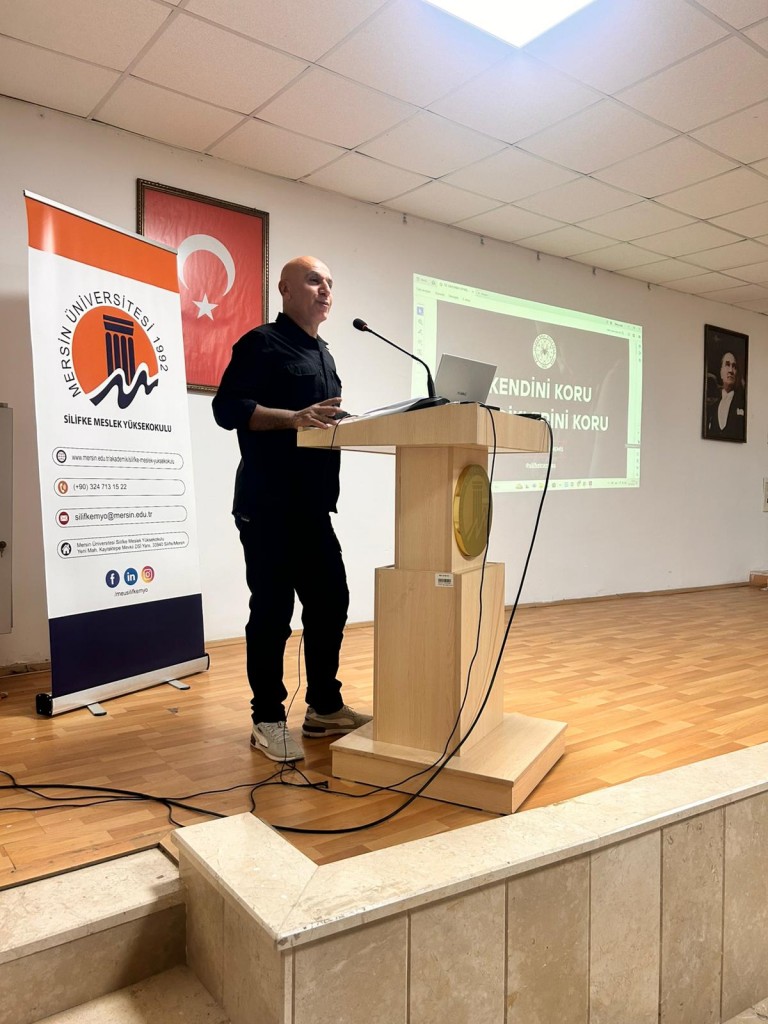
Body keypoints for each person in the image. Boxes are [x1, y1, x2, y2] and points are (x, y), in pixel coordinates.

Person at [212, 256, 371, 763]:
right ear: (284, 289)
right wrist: (292, 418)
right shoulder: (261, 343)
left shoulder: (324, 353)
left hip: (313, 508)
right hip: (267, 506)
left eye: (330, 283)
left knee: (331, 603)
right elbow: (227, 408)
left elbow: (317, 421)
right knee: (273, 613)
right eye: (313, 280)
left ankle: (324, 708)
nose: (325, 290)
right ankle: (267, 718)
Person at [706, 350, 746, 441]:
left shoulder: (743, 404)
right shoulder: (712, 408)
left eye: (734, 366)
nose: (731, 370)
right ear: (721, 372)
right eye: (727, 365)